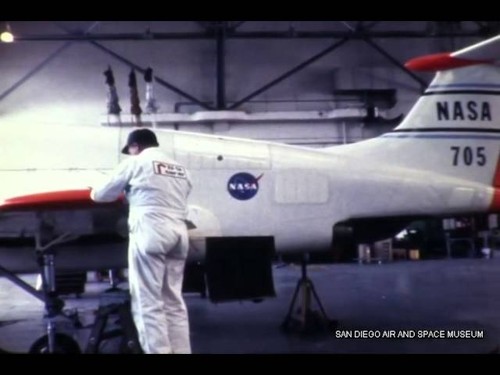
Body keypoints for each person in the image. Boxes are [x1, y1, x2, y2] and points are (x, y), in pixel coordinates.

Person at [90, 128, 192, 354]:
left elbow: (101, 194)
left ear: (135, 146)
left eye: (131, 150)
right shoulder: (180, 169)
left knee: (148, 301)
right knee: (173, 302)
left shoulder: (136, 162)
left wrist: (94, 187)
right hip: (179, 234)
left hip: (151, 232)